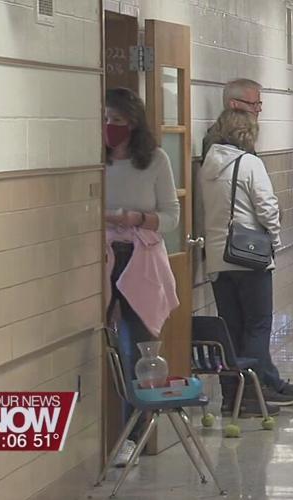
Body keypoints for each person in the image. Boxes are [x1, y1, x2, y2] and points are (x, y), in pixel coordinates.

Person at [201, 109, 293, 410]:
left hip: (217, 258)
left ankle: (233, 396)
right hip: (248, 256)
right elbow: (267, 208)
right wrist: (275, 244)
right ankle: (254, 392)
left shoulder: (207, 165)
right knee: (257, 325)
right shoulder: (249, 163)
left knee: (231, 329)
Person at [103, 87, 180, 467]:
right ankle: (102, 431)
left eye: (116, 120)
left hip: (140, 260)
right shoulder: (93, 161)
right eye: (104, 119)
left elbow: (172, 215)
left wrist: (137, 220)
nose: (109, 127)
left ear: (132, 123)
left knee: (139, 351)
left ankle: (135, 434)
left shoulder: (155, 160)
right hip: (100, 259)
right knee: (107, 351)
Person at [202, 78, 263, 158]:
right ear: (233, 104)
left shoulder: (239, 135)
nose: (259, 109)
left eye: (259, 103)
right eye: (253, 104)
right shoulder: (224, 140)